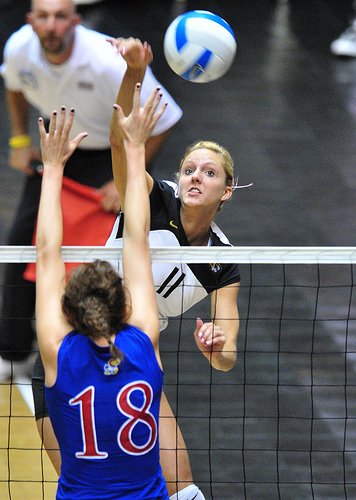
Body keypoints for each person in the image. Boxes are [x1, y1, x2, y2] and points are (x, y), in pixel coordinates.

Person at [0, 0, 182, 380]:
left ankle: (109, 352)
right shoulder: (18, 47)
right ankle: (13, 354)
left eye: (60, 16)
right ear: (31, 21)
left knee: (109, 262)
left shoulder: (106, 60)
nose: (52, 25)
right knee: (21, 248)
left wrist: (128, 179)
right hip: (60, 149)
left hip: (110, 156)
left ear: (76, 21)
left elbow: (164, 120)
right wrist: (19, 140)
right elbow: (14, 86)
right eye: (43, 17)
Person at [35, 83, 169, 498]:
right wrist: (134, 147)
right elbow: (138, 238)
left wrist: (53, 167)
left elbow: (45, 253)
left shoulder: (61, 350)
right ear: (124, 304)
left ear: (69, 311)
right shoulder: (143, 337)